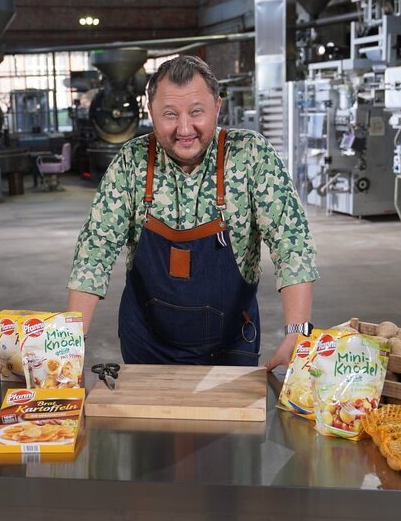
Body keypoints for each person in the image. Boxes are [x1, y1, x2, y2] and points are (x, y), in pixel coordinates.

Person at [67, 55, 318, 370]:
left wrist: (297, 331)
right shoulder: (131, 162)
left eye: (196, 112)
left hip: (230, 346)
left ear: (217, 106)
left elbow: (292, 244)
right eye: (170, 114)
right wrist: (70, 343)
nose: (184, 129)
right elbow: (94, 252)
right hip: (146, 345)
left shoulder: (251, 155)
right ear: (151, 113)